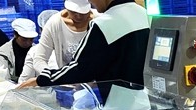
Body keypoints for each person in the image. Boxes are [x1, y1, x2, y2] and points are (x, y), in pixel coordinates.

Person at [18, 0, 148, 88]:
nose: (91, 2)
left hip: (119, 100)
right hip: (144, 96)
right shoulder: (143, 13)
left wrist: (42, 80)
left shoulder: (104, 23)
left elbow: (80, 68)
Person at [33, 0, 95, 74]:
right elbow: (39, 59)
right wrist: (52, 76)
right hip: (68, 79)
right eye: (74, 12)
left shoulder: (99, 20)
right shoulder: (54, 23)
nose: (78, 16)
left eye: (83, 13)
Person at [18, 10, 59, 83]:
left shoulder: (35, 51)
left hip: (49, 89)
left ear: (41, 30)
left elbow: (24, 81)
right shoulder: (75, 46)